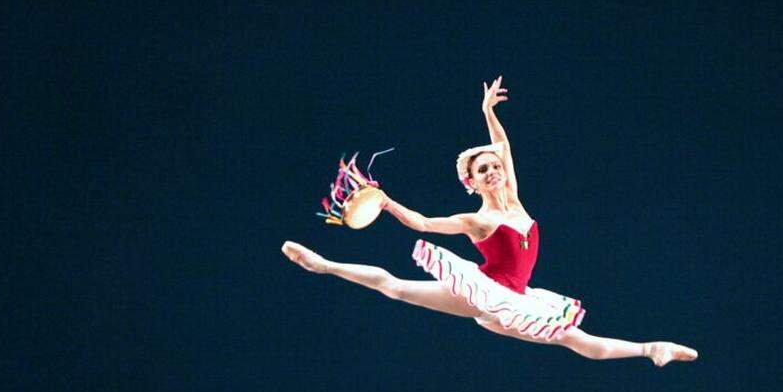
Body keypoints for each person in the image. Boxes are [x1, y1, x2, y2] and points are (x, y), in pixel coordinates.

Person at [282, 76, 698, 366]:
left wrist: (486, 110)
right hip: (486, 293)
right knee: (395, 288)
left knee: (579, 341)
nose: (493, 170)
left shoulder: (515, 200)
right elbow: (424, 224)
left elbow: (503, 145)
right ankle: (323, 264)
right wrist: (388, 203)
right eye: (482, 170)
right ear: (472, 182)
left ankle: (652, 349)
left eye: (493, 166)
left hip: (520, 301)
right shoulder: (476, 220)